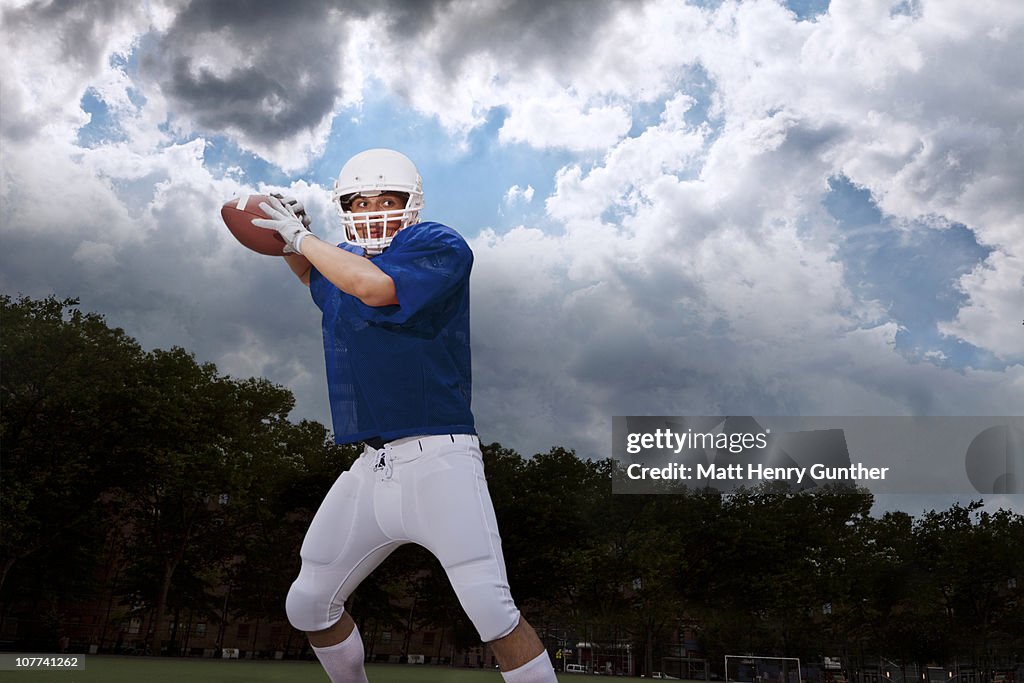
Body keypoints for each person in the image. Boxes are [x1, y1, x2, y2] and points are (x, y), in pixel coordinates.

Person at [252, 148, 556, 683]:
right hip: (373, 466)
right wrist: (290, 237)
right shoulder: (343, 260)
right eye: (361, 200)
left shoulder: (436, 244)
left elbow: (372, 287)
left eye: (386, 199)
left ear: (410, 204)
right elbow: (318, 280)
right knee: (308, 604)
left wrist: (302, 240)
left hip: (440, 457)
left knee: (491, 611)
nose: (373, 210)